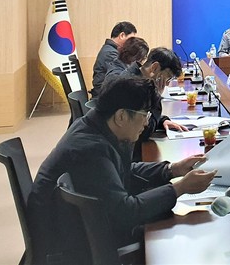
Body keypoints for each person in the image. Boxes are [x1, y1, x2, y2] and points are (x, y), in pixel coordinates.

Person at [27, 76, 217, 265]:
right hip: (72, 246)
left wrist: (172, 169)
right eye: (145, 115)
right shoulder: (91, 150)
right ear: (121, 116)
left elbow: (122, 170)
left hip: (78, 228)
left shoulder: (93, 126)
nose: (146, 124)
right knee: (176, 238)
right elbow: (127, 212)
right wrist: (180, 188)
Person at [111, 47, 189, 160]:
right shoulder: (132, 85)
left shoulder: (138, 77)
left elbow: (145, 113)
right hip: (124, 154)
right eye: (168, 78)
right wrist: (157, 97)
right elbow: (145, 131)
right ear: (155, 67)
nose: (167, 84)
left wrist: (162, 120)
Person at [91, 21, 137, 95]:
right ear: (122, 35)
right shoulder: (110, 53)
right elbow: (123, 76)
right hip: (104, 95)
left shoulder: (110, 49)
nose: (132, 43)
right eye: (131, 39)